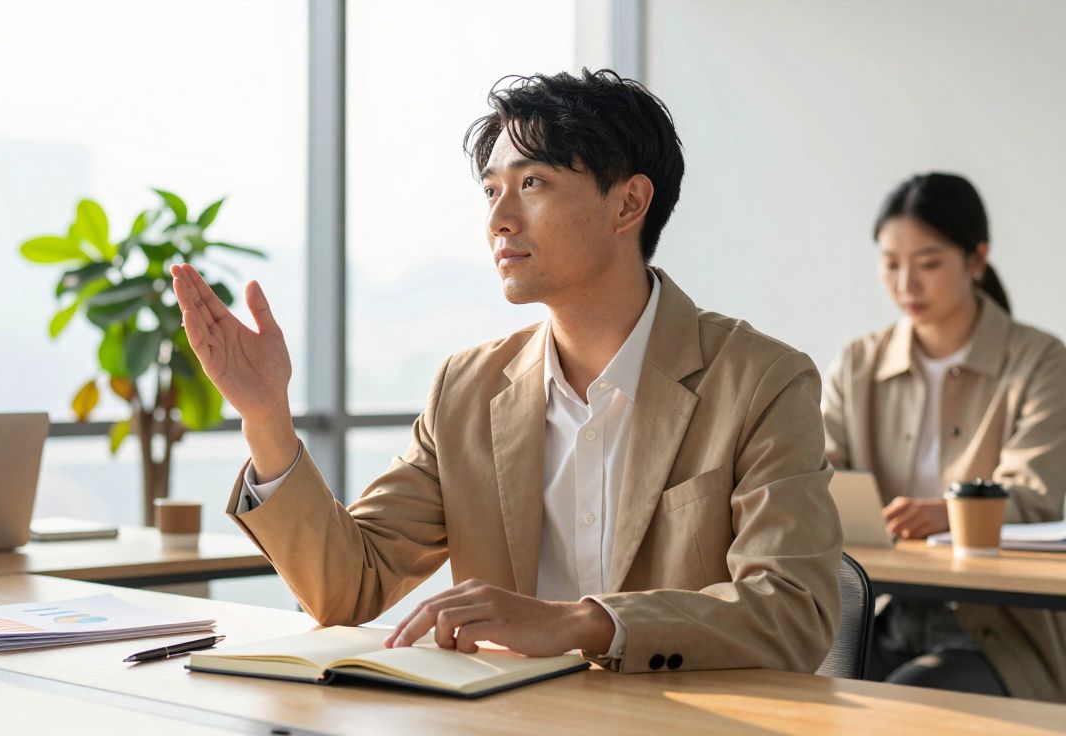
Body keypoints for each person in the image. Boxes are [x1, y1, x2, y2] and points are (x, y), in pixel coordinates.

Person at [172, 69, 842, 672]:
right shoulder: (466, 389)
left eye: (532, 183)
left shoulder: (761, 381)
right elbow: (350, 586)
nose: (498, 218)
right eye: (491, 190)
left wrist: (581, 623)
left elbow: (793, 611)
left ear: (628, 204)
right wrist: (267, 417)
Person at [823, 172, 1066, 702]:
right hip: (880, 614)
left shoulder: (1041, 362)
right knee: (802, 694)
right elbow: (813, 474)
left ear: (976, 259)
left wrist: (947, 514)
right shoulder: (858, 363)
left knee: (896, 704)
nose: (907, 285)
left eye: (928, 264)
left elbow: (1036, 494)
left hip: (997, 633)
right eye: (891, 264)